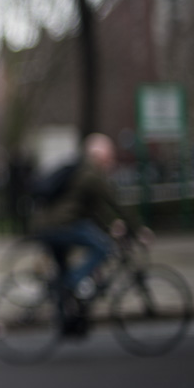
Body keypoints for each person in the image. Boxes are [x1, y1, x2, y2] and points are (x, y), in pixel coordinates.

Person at [31, 133, 150, 331]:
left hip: (48, 226)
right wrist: (138, 229)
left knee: (63, 273)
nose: (111, 161)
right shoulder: (92, 173)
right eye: (109, 156)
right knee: (103, 248)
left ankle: (67, 325)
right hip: (60, 226)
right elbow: (114, 202)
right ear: (99, 155)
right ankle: (72, 283)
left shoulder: (81, 170)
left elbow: (91, 210)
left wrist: (109, 226)